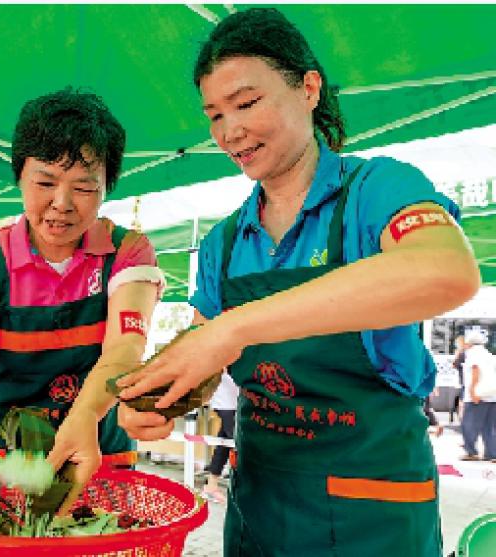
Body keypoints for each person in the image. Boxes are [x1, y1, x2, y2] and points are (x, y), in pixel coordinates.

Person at [115, 8, 480, 557]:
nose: (229, 131)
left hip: (372, 511)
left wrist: (233, 327)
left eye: (246, 103)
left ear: (308, 88)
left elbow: (445, 271)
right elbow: (203, 356)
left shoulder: (378, 189)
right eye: (214, 115)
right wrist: (157, 397)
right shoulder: (223, 242)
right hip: (260, 505)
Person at [0, 88, 164, 508]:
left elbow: (125, 347)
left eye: (83, 187)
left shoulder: (127, 253)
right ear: (20, 176)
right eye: (45, 182)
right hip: (2, 471)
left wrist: (84, 416)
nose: (61, 204)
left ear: (105, 189)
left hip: (98, 461)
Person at [202, 370, 239, 504]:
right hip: (227, 404)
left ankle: (211, 487)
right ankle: (247, 491)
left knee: (223, 445)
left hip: (233, 403)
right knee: (241, 446)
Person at [460, 329, 496, 462]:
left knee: (468, 424)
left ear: (469, 342)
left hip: (478, 395)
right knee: (489, 426)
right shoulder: (489, 354)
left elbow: (475, 370)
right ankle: (492, 454)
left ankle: (471, 452)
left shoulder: (473, 353)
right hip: (492, 395)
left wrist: (473, 391)